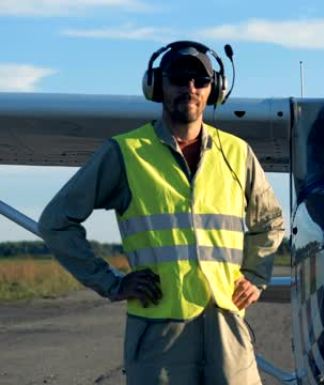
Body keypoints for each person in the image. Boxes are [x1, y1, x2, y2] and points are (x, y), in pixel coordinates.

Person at [38, 40, 285, 385]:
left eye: (200, 81)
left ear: (215, 90)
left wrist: (256, 276)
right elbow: (55, 222)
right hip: (158, 334)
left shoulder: (236, 153)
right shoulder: (126, 152)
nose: (190, 88)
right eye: (178, 79)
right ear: (157, 87)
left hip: (226, 326)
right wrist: (110, 282)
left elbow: (270, 221)